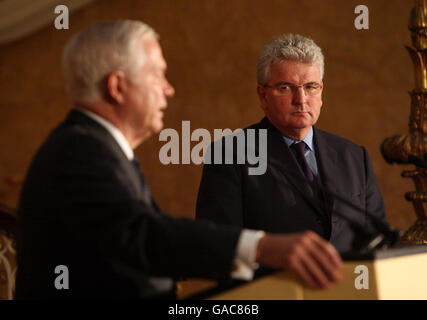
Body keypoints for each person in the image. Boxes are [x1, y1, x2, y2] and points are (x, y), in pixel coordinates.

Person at [15, 22, 342, 299]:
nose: (169, 90)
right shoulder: (79, 152)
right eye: (157, 76)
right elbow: (143, 235)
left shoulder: (95, 147)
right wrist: (260, 246)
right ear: (117, 86)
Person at [196, 34, 387, 258]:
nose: (301, 99)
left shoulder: (354, 157)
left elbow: (379, 240)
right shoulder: (230, 154)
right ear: (263, 96)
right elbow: (218, 245)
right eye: (286, 88)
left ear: (321, 92)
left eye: (310, 87)